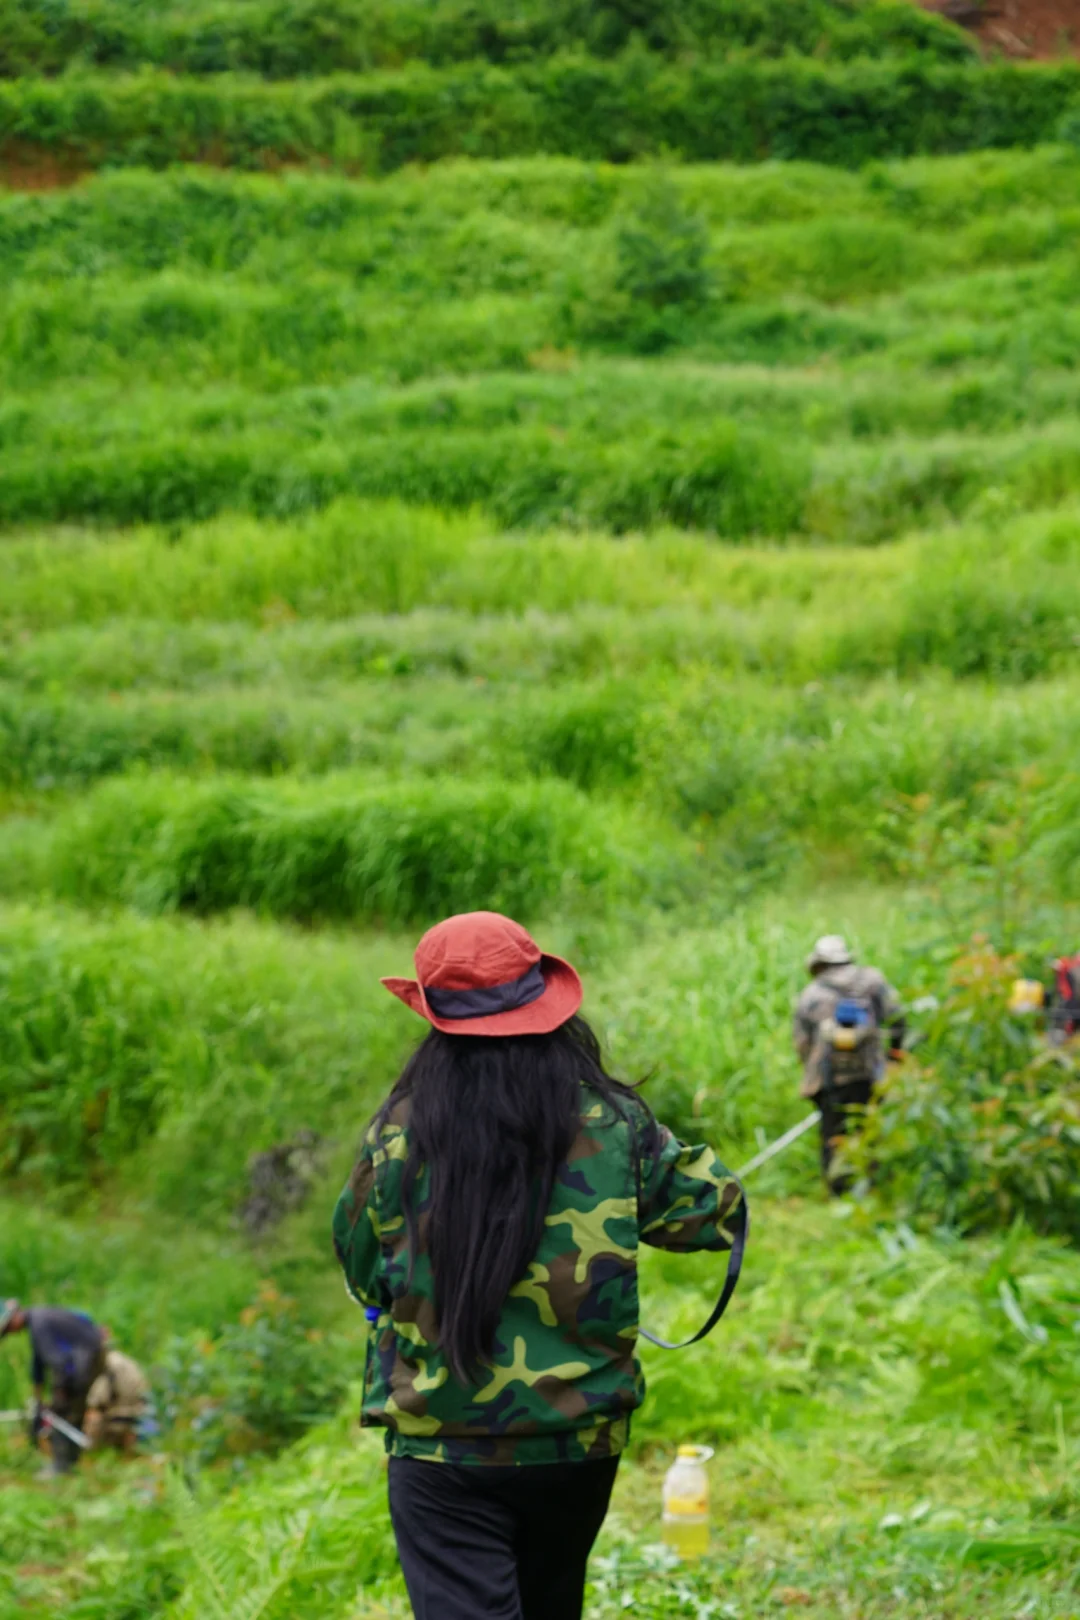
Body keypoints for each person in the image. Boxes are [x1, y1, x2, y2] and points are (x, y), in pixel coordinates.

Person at [333, 910, 743, 1620]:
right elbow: (713, 1212)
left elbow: (362, 1268)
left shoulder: (396, 1138)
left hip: (442, 1448)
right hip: (576, 1442)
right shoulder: (615, 1124)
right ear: (546, 1005)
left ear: (434, 1017)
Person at [792, 935, 905, 1194]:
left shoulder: (811, 994)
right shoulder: (873, 982)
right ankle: (876, 1186)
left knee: (833, 1134)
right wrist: (895, 1054)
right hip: (872, 1072)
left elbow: (802, 1042)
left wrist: (811, 1073)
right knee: (873, 1128)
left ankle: (838, 1190)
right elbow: (898, 1017)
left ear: (818, 964)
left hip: (831, 1078)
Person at [0, 1300, 106, 1474]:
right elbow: (39, 1363)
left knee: (60, 1412)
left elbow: (58, 1361)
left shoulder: (39, 1324)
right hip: (87, 1357)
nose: (11, 1333)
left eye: (8, 1328)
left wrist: (60, 1391)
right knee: (70, 1410)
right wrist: (38, 1396)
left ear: (13, 1318)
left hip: (84, 1361)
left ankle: (61, 1466)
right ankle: (71, 1461)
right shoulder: (39, 1318)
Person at [85, 1343, 151, 1454]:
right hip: (139, 1411)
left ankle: (92, 1453)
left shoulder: (109, 1365)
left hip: (117, 1415)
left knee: (92, 1415)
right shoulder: (128, 1361)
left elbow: (98, 1399)